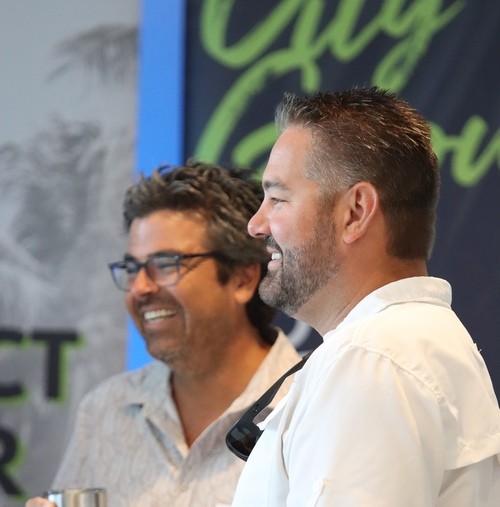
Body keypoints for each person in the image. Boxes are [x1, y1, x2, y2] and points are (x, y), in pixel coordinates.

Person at [229, 87, 500, 506]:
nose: (256, 224)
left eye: (278, 199)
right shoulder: (399, 347)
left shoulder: (373, 359)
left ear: (355, 212)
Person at [27, 161, 300, 507]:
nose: (140, 287)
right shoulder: (106, 410)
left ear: (242, 278)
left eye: (166, 264)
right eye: (132, 268)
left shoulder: (306, 405)